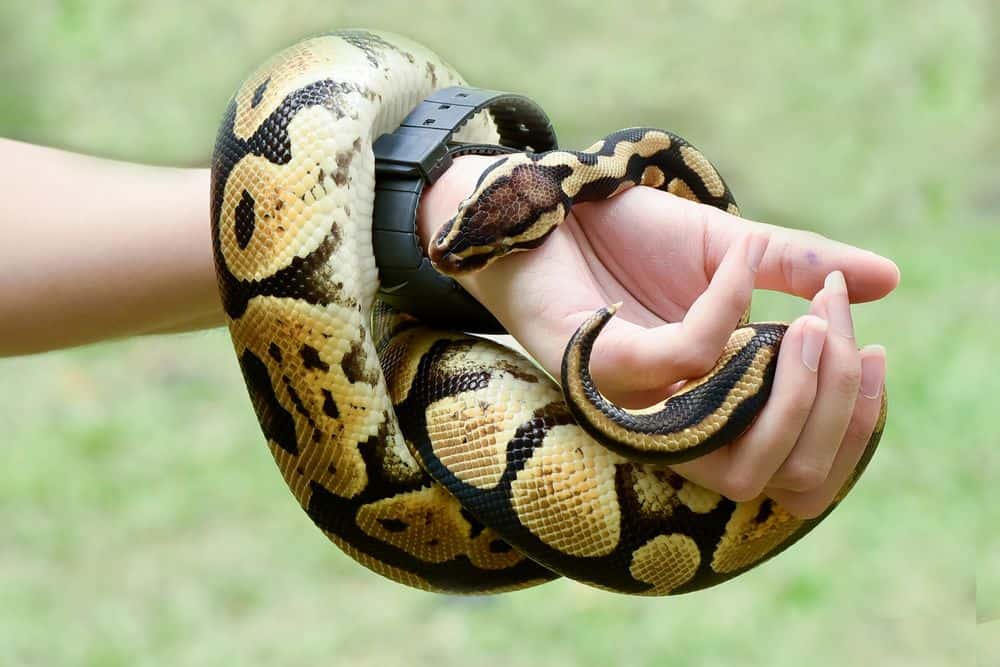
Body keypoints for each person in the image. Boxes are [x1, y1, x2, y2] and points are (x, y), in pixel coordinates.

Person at [0, 138, 898, 519]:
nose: (459, 250)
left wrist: (416, 200)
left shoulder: (559, 196)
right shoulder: (554, 193)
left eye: (488, 239)